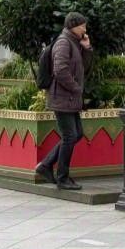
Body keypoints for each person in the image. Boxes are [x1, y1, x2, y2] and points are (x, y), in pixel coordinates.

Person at [34, 12, 93, 190]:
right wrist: (76, 88)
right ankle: (62, 177)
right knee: (70, 136)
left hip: (69, 98)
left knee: (77, 134)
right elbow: (60, 70)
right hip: (62, 98)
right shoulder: (63, 43)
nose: (85, 29)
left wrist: (87, 48)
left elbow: (84, 67)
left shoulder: (74, 42)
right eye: (82, 26)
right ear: (73, 26)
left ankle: (46, 165)